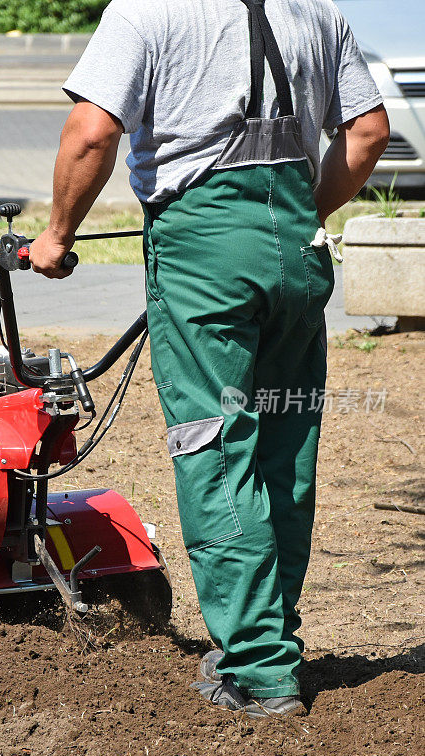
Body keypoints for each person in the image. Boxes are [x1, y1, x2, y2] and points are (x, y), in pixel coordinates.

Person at [29, 0, 389, 718]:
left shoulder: (146, 12)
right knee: (284, 446)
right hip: (297, 248)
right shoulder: (315, 10)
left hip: (204, 253)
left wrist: (56, 236)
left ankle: (257, 672)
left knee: (216, 446)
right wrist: (302, 218)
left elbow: (92, 132)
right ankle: (269, 638)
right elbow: (370, 131)